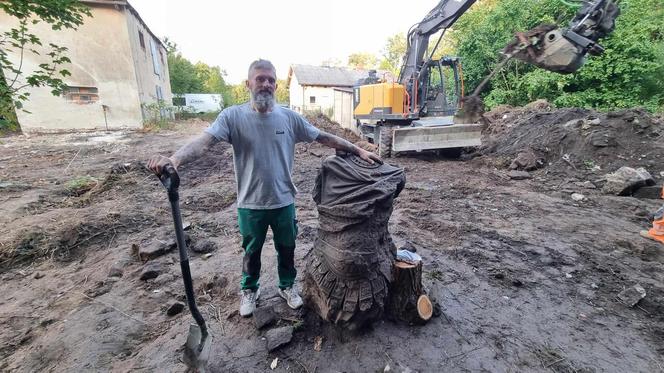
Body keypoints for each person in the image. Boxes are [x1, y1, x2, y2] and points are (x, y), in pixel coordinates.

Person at [148, 59, 381, 317]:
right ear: (248, 83)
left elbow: (324, 137)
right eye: (260, 79)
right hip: (250, 204)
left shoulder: (290, 119)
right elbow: (204, 142)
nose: (266, 84)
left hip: (283, 201)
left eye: (271, 80)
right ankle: (250, 290)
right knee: (251, 251)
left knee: (287, 247)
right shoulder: (232, 117)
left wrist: (357, 148)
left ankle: (287, 286)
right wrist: (176, 159)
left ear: (276, 86)